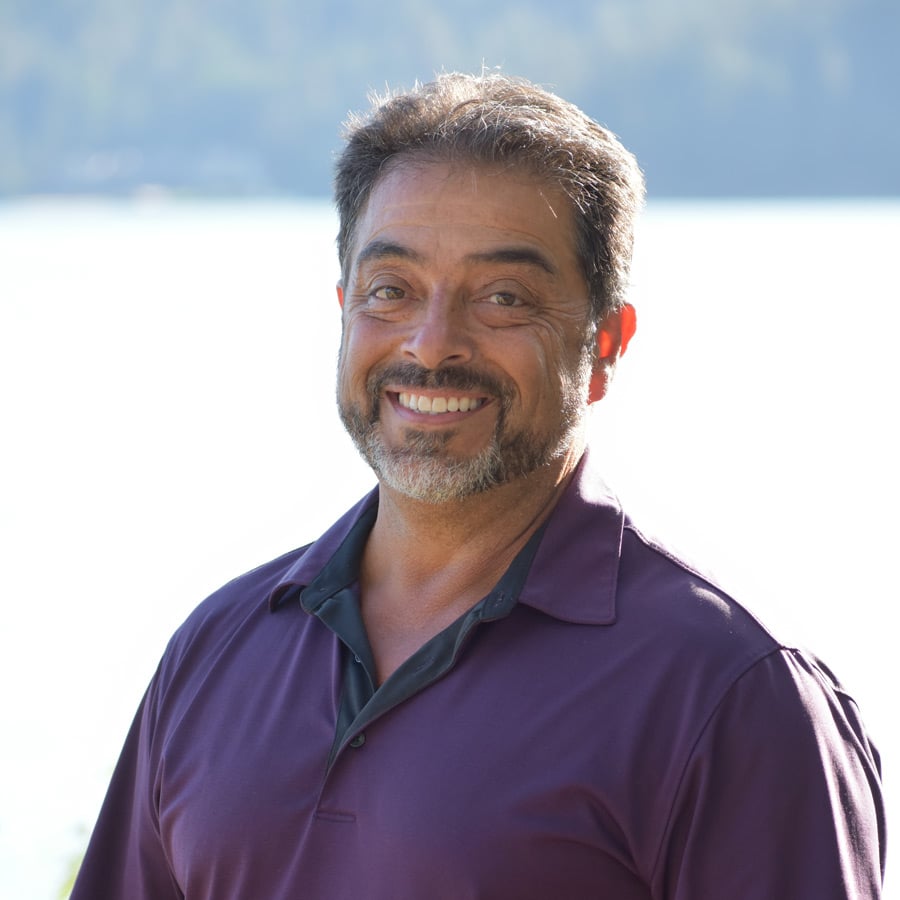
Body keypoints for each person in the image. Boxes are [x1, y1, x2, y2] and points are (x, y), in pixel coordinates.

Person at [71, 72, 886, 899]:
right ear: (345, 307)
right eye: (392, 292)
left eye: (503, 298)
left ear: (605, 341)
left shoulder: (732, 694)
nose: (432, 345)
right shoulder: (218, 648)